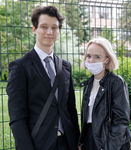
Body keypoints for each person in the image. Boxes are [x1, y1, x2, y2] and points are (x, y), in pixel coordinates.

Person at [6, 6, 80, 150]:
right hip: (39, 145)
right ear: (34, 29)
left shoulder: (65, 67)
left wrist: (77, 142)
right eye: (44, 27)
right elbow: (17, 117)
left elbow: (70, 109)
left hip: (67, 143)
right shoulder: (20, 67)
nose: (49, 32)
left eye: (54, 27)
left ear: (58, 31)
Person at [78, 37, 131, 150]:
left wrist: (110, 147)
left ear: (107, 59)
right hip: (90, 139)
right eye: (88, 56)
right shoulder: (88, 84)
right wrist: (81, 141)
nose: (91, 60)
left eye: (97, 57)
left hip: (110, 141)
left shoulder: (116, 82)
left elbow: (121, 121)